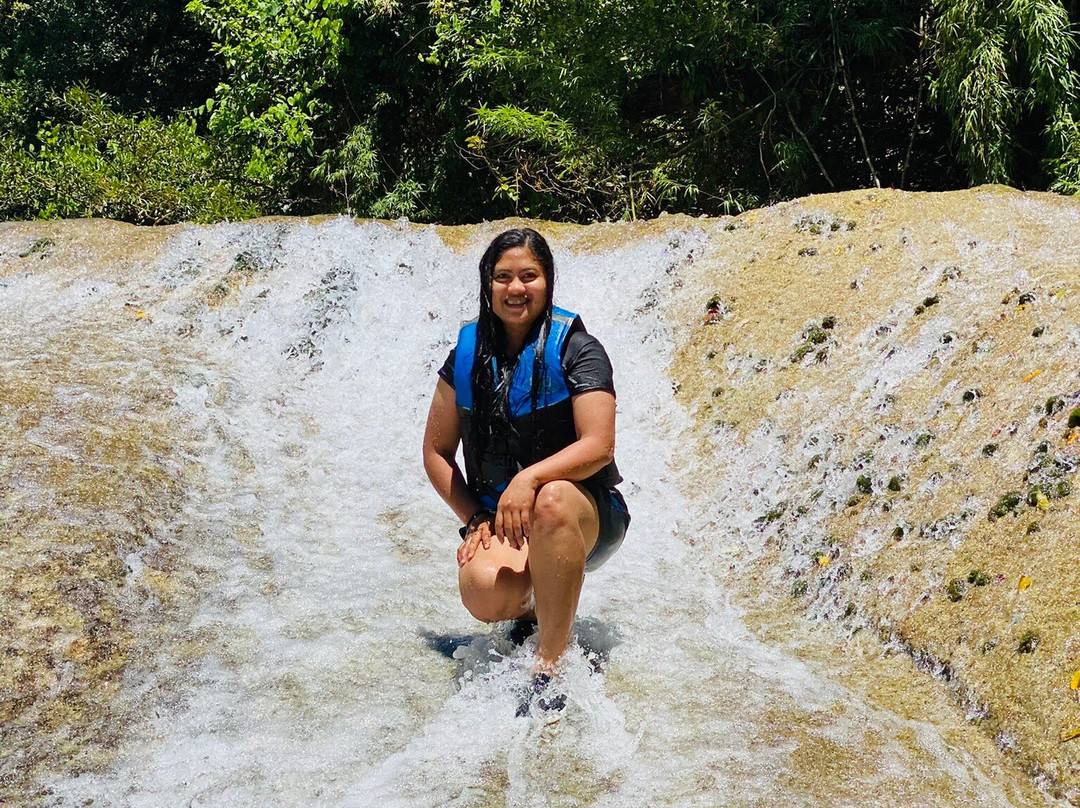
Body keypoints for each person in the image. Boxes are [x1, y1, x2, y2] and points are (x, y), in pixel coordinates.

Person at [422, 227, 629, 713]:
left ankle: (550, 665)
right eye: (503, 277)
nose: (516, 289)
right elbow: (435, 452)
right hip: (506, 520)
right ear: (487, 285)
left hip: (586, 514)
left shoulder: (579, 348)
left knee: (552, 500)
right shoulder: (467, 356)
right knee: (484, 594)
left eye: (529, 276)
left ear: (547, 281)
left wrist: (529, 478)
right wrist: (474, 516)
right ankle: (541, 606)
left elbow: (599, 445)